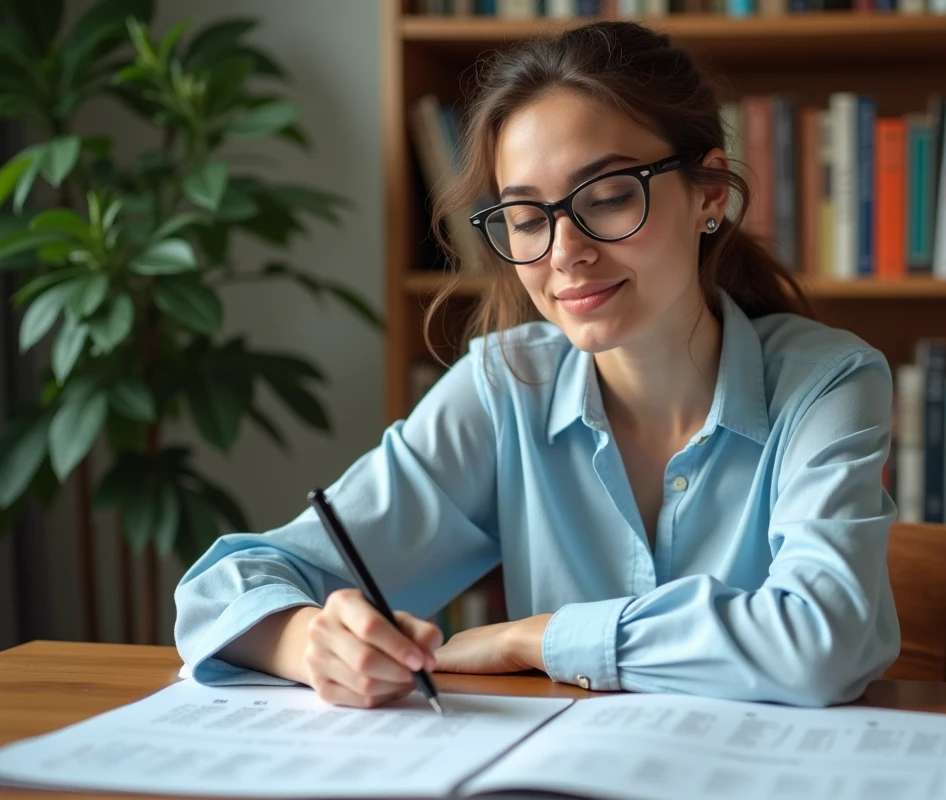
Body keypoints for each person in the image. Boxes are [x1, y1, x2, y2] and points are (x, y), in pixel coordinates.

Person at [173, 19, 900, 709]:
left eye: (610, 197)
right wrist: (309, 642)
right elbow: (219, 590)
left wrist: (539, 637)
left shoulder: (827, 383)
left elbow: (822, 641)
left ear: (708, 192)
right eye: (526, 218)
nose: (563, 253)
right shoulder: (503, 389)